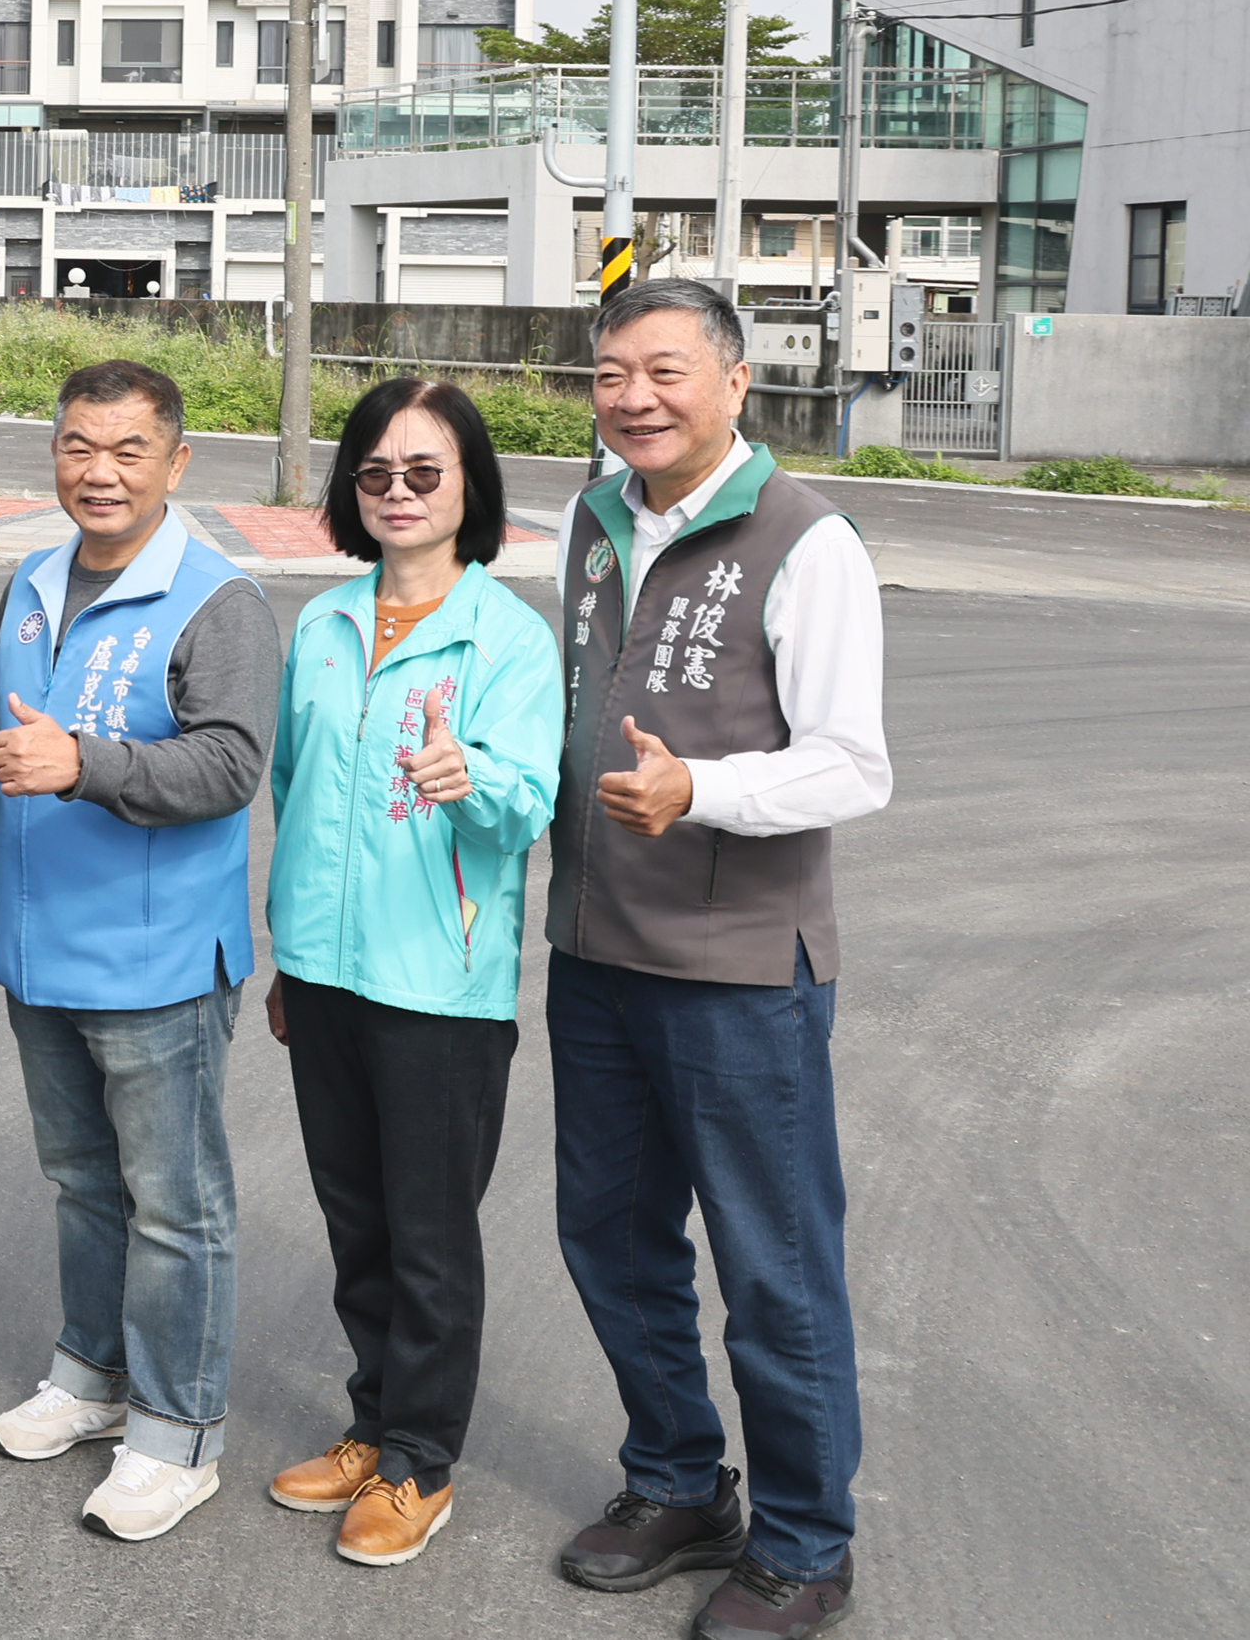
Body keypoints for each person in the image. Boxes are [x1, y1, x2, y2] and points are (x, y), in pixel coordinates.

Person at [544, 278, 888, 1640]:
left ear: (737, 382)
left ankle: (808, 1541)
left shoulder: (809, 540)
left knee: (774, 1266)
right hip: (598, 952)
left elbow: (852, 764)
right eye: (612, 371)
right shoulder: (591, 517)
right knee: (613, 1243)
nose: (635, 395)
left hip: (742, 969)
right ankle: (681, 1480)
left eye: (666, 369)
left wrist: (708, 792)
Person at [258, 379, 563, 1567]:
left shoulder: (507, 637)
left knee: (429, 1234)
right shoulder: (326, 623)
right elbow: (290, 791)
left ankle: (420, 1461)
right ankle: (372, 1421)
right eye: (375, 473)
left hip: (438, 985)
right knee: (356, 1219)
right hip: (328, 976)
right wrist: (291, 959)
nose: (395, 492)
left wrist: (466, 778)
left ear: (470, 489)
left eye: (423, 472)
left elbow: (528, 797)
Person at [0, 358, 280, 1542]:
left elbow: (228, 766)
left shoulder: (219, 601)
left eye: (125, 451)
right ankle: (89, 1375)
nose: (97, 472)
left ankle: (178, 1432)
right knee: (80, 1183)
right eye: (75, 446)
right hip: (41, 947)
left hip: (155, 964)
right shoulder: (31, 577)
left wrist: (86, 765)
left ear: (175, 462)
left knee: (175, 1204)